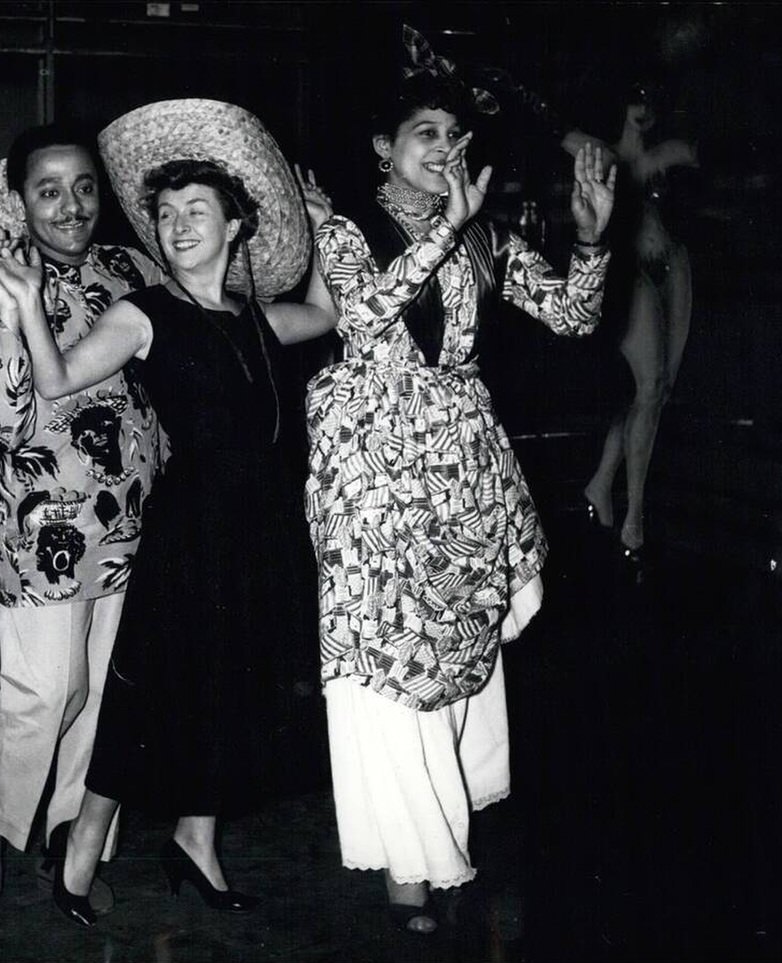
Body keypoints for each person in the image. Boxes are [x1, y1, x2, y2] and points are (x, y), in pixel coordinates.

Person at [0, 98, 336, 927]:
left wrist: (320, 232)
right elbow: (61, 378)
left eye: (195, 211)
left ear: (237, 225)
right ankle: (78, 850)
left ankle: (195, 840)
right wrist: (32, 304)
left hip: (259, 529)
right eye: (165, 214)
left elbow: (325, 314)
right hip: (190, 531)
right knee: (146, 700)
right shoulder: (145, 314)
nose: (176, 226)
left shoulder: (252, 318)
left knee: (232, 692)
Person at [304, 34, 615, 934]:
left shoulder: (481, 232)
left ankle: (453, 812)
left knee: (456, 635)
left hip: (459, 454)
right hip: (372, 459)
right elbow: (364, 314)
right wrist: (446, 225)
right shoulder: (344, 227)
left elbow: (572, 314)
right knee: (390, 654)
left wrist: (592, 234)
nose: (444, 149)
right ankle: (408, 859)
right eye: (424, 133)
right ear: (382, 148)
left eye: (453, 134)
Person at [0, 125, 165, 912]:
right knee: (44, 687)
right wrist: (25, 315)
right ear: (21, 200)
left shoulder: (131, 269)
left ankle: (71, 830)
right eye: (49, 189)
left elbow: (161, 384)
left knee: (101, 689)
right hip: (43, 523)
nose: (70, 205)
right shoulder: (3, 286)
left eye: (84, 187)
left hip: (129, 512)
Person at [569, 83, 698, 560]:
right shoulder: (597, 150)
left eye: (650, 97)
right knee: (648, 386)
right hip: (630, 272)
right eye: (634, 96)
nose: (644, 108)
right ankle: (634, 517)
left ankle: (601, 485)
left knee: (658, 390)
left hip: (674, 264)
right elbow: (555, 132)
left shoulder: (673, 151)